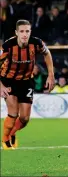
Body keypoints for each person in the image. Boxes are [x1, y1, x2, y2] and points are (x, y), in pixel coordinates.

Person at [0, 19, 55, 150]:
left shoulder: (36, 43)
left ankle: (12, 134)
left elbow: (47, 53)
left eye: (27, 31)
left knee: (24, 118)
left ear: (30, 32)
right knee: (13, 114)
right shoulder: (7, 46)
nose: (25, 34)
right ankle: (5, 139)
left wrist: (51, 75)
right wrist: (1, 86)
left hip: (26, 81)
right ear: (16, 33)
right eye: (22, 31)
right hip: (8, 81)